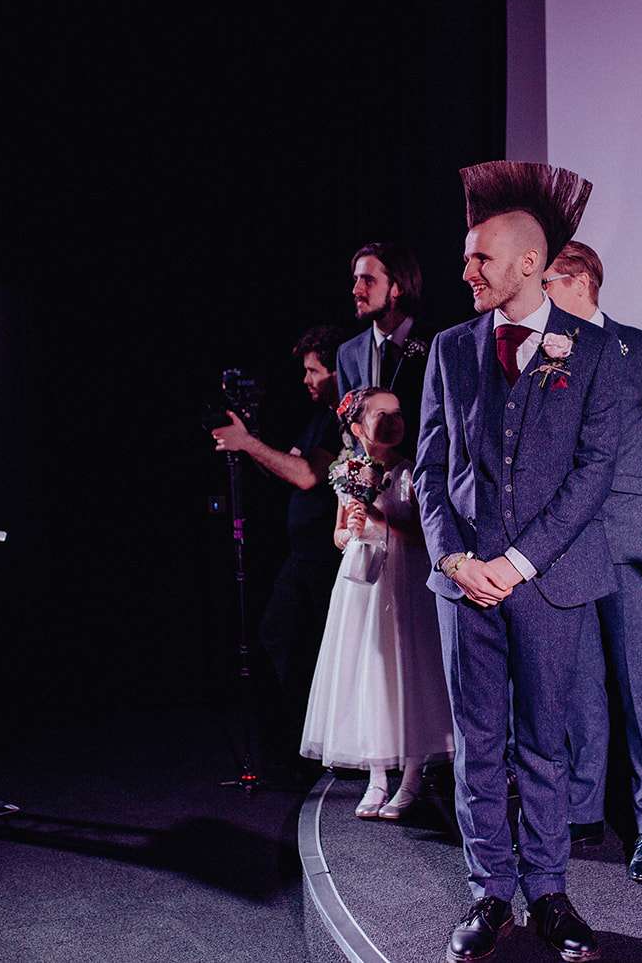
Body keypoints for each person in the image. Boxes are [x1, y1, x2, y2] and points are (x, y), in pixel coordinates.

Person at [416, 160, 619, 963]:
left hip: (548, 582)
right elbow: (429, 470)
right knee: (477, 743)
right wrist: (454, 557)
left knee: (544, 743)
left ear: (530, 263)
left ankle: (550, 890)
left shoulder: (592, 352)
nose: (467, 271)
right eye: (467, 258)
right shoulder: (449, 349)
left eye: (482, 259)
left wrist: (520, 562)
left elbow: (593, 472)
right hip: (463, 584)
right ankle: (490, 892)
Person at [543, 240, 642, 883]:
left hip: (633, 543)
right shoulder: (536, 351)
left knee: (641, 687)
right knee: (579, 687)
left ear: (580, 281)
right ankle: (583, 813)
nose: (537, 293)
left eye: (546, 280)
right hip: (563, 546)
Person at [299, 387, 455, 818]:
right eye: (380, 414)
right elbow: (338, 535)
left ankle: (412, 777)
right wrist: (350, 528)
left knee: (409, 671)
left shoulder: (410, 473)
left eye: (397, 413)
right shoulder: (347, 471)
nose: (392, 421)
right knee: (368, 671)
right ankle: (377, 777)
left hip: (405, 579)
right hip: (363, 582)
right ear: (356, 427)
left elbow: (425, 535)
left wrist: (381, 520)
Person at [210, 325, 345, 773]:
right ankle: (299, 744)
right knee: (280, 637)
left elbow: (307, 476)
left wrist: (248, 443)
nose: (306, 380)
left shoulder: (340, 419)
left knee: (302, 645)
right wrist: (249, 440)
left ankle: (316, 747)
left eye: (313, 371)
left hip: (325, 559)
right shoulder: (317, 417)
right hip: (302, 555)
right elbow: (288, 467)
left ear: (336, 371)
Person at [337, 242, 429, 450]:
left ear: (398, 288)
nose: (356, 290)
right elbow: (348, 425)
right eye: (356, 279)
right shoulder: (348, 353)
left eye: (368, 280)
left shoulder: (435, 344)